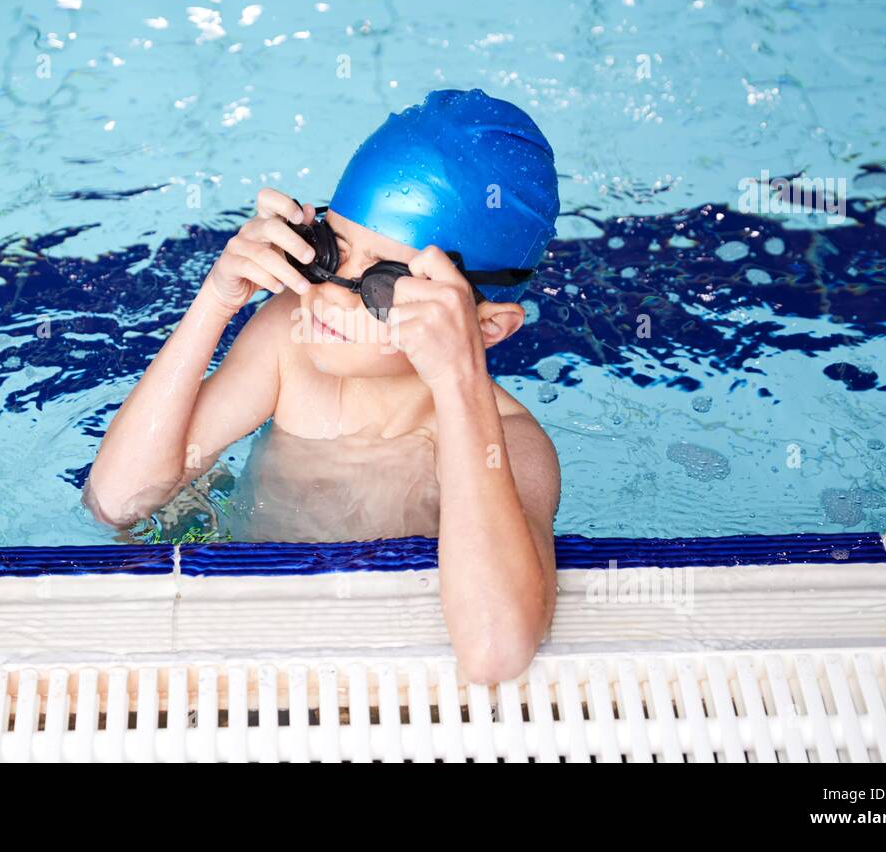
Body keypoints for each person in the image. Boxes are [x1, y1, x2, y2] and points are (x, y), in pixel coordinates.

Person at [84, 89, 563, 684]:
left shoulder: (509, 444)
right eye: (329, 250)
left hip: (382, 676)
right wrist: (216, 299)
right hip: (239, 631)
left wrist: (459, 378)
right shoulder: (288, 339)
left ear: (487, 327)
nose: (331, 293)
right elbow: (116, 501)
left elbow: (494, 652)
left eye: (385, 283)